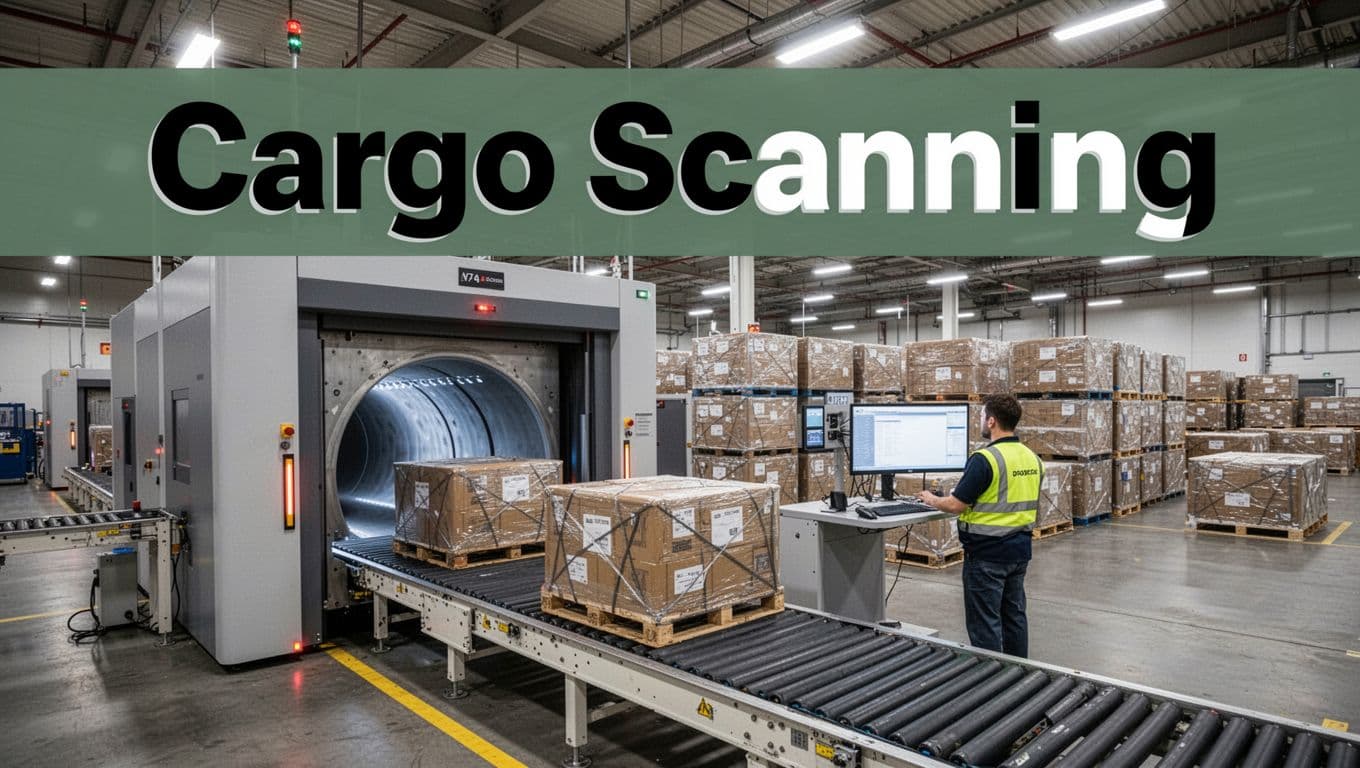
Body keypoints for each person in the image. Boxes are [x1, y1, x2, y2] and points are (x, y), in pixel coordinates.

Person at [914, 394, 1043, 658]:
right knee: (1014, 616)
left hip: (987, 555)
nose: (981, 422)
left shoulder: (986, 459)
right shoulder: (1032, 458)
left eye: (983, 417)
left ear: (992, 421)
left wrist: (931, 498)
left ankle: (990, 677)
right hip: (1019, 551)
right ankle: (1019, 670)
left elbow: (956, 505)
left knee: (985, 623)